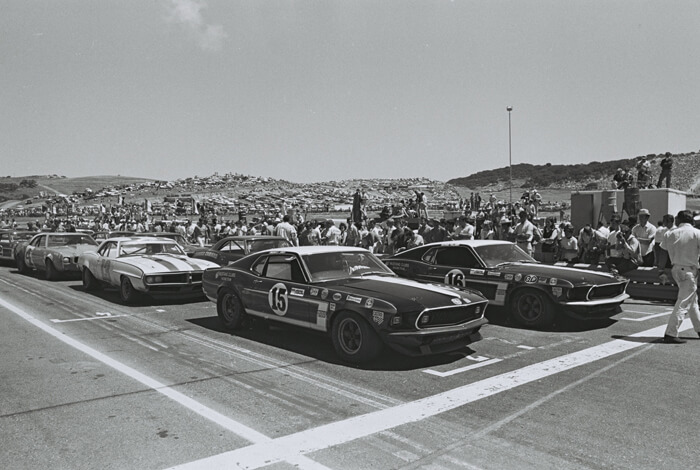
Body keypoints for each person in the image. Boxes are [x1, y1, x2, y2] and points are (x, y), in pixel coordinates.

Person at [659, 210, 700, 344]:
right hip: (689, 270)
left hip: (675, 269)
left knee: (692, 301)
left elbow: (663, 253)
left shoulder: (670, 233)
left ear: (680, 220)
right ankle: (671, 333)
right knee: (684, 302)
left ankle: (699, 328)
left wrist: (661, 271)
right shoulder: (696, 233)